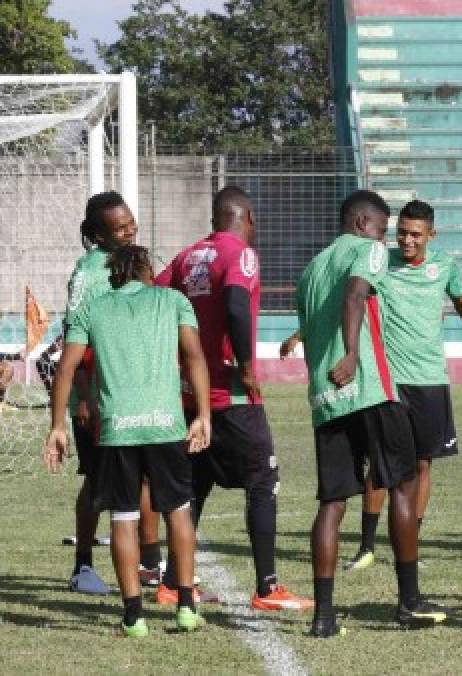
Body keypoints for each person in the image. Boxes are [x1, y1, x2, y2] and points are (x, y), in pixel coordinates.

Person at [295, 190, 446, 638]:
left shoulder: (310, 269)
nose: (388, 238)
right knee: (403, 483)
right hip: (370, 389)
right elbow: (357, 293)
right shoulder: (369, 250)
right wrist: (351, 354)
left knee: (332, 502)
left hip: (326, 398)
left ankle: (324, 617)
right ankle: (409, 602)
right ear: (363, 223)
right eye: (383, 228)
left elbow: (309, 328)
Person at [155, 186, 312, 610]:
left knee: (194, 487)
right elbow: (238, 306)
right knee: (263, 480)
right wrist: (245, 366)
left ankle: (173, 582)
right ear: (246, 218)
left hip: (192, 396)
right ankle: (267, 587)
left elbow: (154, 297)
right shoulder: (240, 254)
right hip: (233, 394)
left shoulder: (188, 257)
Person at [43, 244, 212, 636]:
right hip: (165, 425)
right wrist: (203, 415)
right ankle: (186, 606)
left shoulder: (93, 309)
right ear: (148, 271)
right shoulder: (173, 300)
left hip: (118, 429)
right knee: (179, 511)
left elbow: (65, 368)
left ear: (112, 276)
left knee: (123, 517)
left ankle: (134, 616)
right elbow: (195, 357)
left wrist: (57, 426)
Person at [342, 199, 462, 571]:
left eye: (416, 234)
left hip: (431, 380)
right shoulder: (380, 263)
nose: (407, 240)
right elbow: (350, 299)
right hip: (391, 381)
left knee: (422, 463)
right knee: (382, 464)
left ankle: (408, 541)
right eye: (402, 233)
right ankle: (366, 546)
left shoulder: (444, 266)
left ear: (431, 234)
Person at [59, 192, 161, 596]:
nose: (130, 230)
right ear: (98, 235)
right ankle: (83, 565)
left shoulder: (136, 263)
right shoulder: (88, 274)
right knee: (99, 481)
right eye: (120, 227)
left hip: (133, 393)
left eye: (131, 222)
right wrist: (83, 396)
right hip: (98, 397)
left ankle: (150, 564)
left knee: (145, 477)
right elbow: (76, 342)